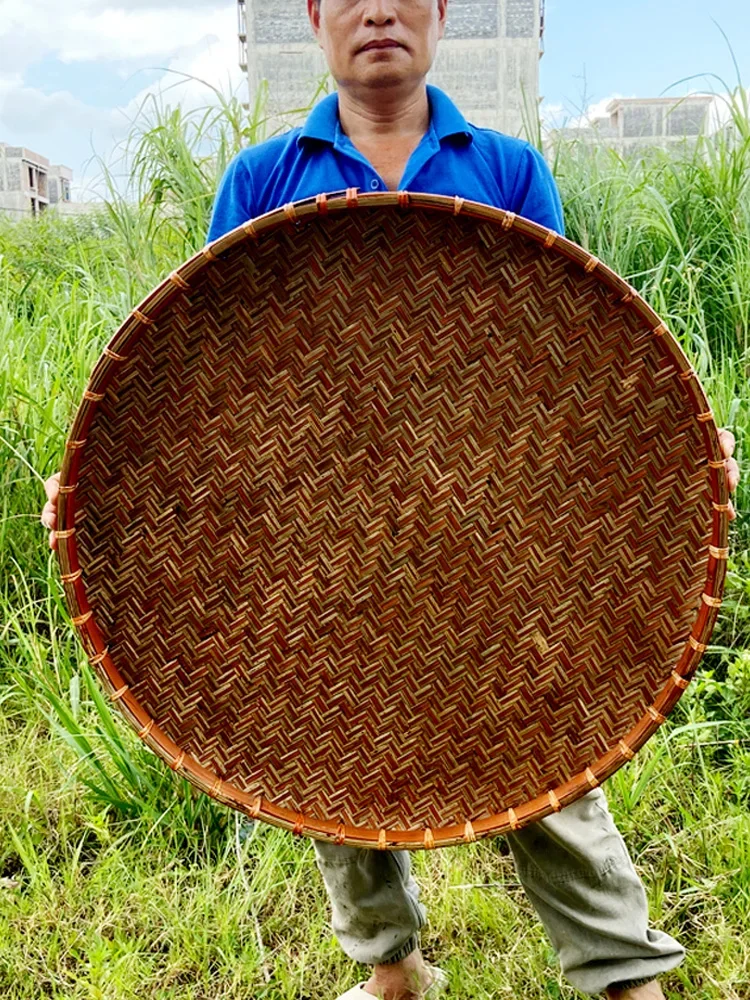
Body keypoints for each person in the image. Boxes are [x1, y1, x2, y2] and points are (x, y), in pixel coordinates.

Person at [42, 2, 741, 998]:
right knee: (325, 741)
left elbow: (576, 359)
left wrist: (671, 447)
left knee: (544, 732)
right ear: (319, 19)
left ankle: (620, 967)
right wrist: (102, 482)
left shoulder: (503, 170)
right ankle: (391, 968)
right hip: (315, 524)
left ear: (441, 15)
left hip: (483, 514)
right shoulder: (264, 179)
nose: (379, 11)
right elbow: (198, 378)